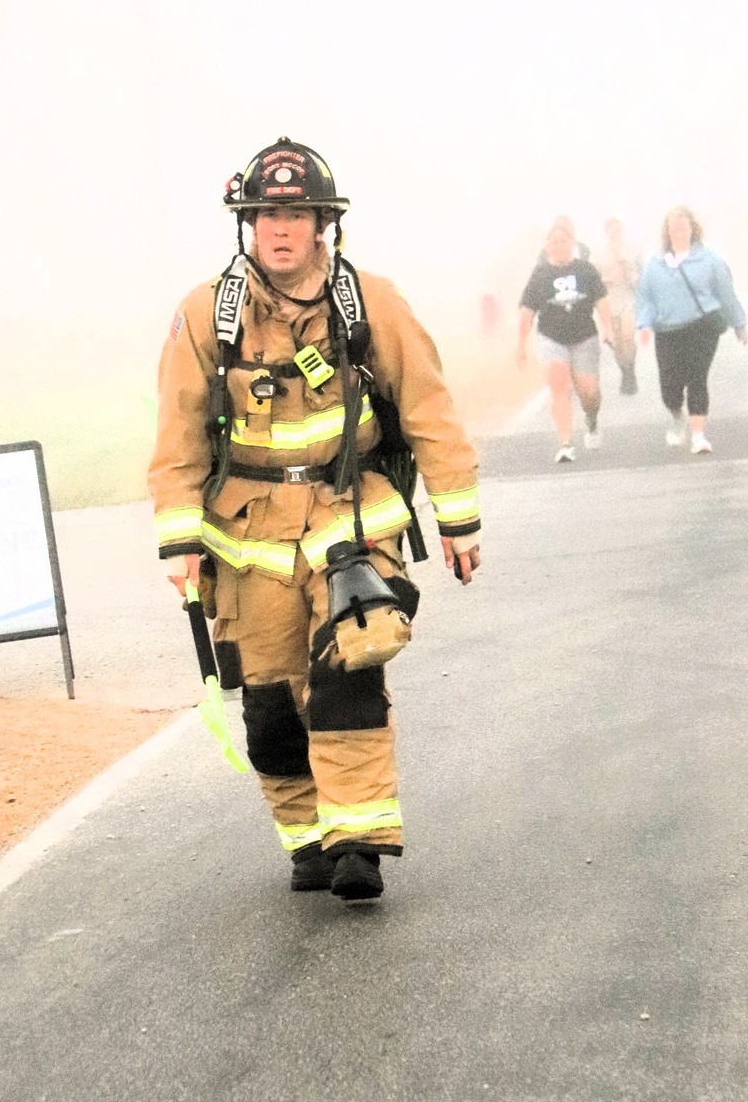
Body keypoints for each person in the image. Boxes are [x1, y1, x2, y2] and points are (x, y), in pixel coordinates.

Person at [149, 137, 480, 903]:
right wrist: (179, 540)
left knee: (348, 673)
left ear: (324, 223)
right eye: (267, 213)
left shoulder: (373, 303)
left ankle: (358, 839)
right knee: (268, 704)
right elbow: (178, 431)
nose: (281, 227)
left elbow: (428, 407)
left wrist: (459, 519)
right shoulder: (207, 316)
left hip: (348, 517)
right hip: (246, 537)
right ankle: (306, 841)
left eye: (296, 213)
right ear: (249, 224)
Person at [636, 206, 747, 454]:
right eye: (674, 228)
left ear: (692, 230)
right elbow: (646, 298)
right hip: (667, 330)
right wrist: (644, 324)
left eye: (683, 228)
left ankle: (698, 436)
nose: (679, 232)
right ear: (667, 232)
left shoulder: (710, 260)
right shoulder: (655, 264)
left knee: (697, 377)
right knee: (670, 385)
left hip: (701, 327)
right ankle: (677, 417)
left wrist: (740, 324)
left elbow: (726, 294)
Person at [517, 222, 614, 462]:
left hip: (584, 337)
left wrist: (608, 329)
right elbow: (527, 311)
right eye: (554, 242)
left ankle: (591, 421)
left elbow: (602, 301)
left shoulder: (586, 270)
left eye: (563, 242)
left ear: (572, 244)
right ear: (548, 247)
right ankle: (565, 443)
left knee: (589, 393)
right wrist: (520, 344)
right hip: (551, 338)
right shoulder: (540, 275)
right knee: (559, 386)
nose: (559, 246)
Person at [594, 217, 641, 395]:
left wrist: (634, 277)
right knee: (618, 342)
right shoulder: (599, 255)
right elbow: (594, 280)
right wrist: (608, 279)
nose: (614, 233)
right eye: (610, 229)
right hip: (609, 300)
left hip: (628, 297)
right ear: (606, 232)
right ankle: (626, 372)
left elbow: (642, 271)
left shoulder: (632, 250)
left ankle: (631, 369)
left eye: (617, 229)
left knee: (628, 336)